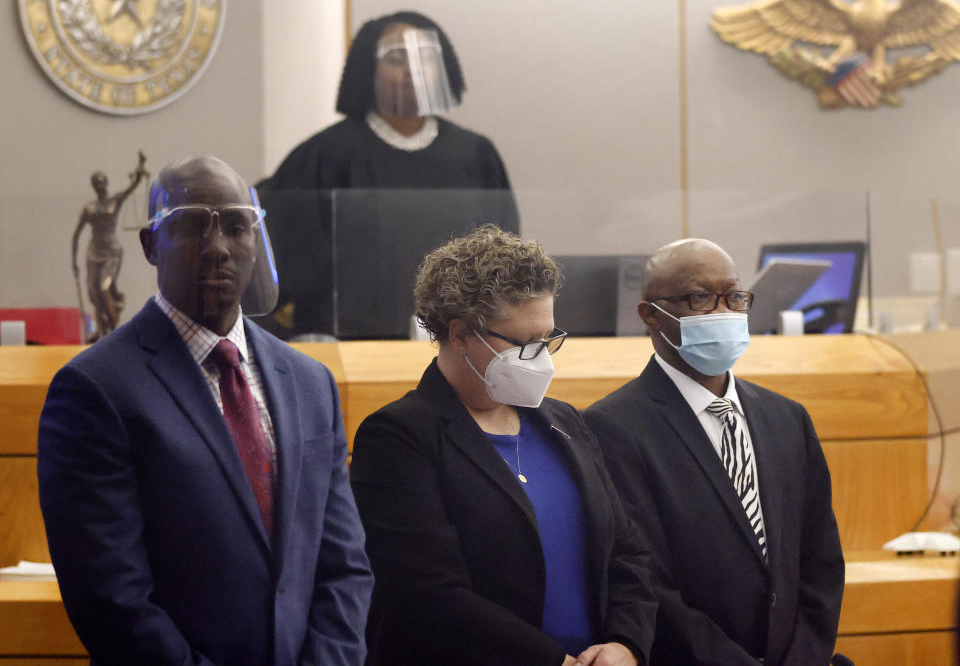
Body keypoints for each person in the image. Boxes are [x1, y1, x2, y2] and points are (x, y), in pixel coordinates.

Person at [38, 156, 373, 665]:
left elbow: (342, 566)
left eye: (237, 227)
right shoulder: (94, 389)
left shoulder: (310, 384)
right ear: (151, 245)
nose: (218, 248)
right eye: (193, 226)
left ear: (255, 246)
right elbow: (111, 598)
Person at [350, 225, 657, 666]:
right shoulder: (399, 437)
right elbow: (428, 594)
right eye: (524, 343)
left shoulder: (565, 422)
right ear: (459, 335)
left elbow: (628, 552)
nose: (542, 358)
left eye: (548, 339)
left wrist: (626, 645)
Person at [583, 238, 845, 666]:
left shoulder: (788, 419)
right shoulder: (612, 428)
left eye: (735, 296)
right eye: (699, 298)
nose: (724, 312)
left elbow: (821, 560)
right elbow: (647, 584)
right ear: (650, 315)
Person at [261, 11, 512, 195]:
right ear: (369, 70)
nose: (413, 71)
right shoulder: (326, 154)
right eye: (396, 59)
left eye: (425, 58)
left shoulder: (475, 153)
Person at [71, 150, 148, 341]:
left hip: (112, 251)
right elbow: (76, 234)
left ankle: (113, 331)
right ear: (93, 186)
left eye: (101, 181)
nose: (99, 185)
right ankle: (101, 332)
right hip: (93, 252)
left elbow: (134, 185)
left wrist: (140, 166)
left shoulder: (116, 199)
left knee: (105, 289)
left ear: (106, 183)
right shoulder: (89, 208)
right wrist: (74, 261)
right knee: (95, 295)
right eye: (95, 183)